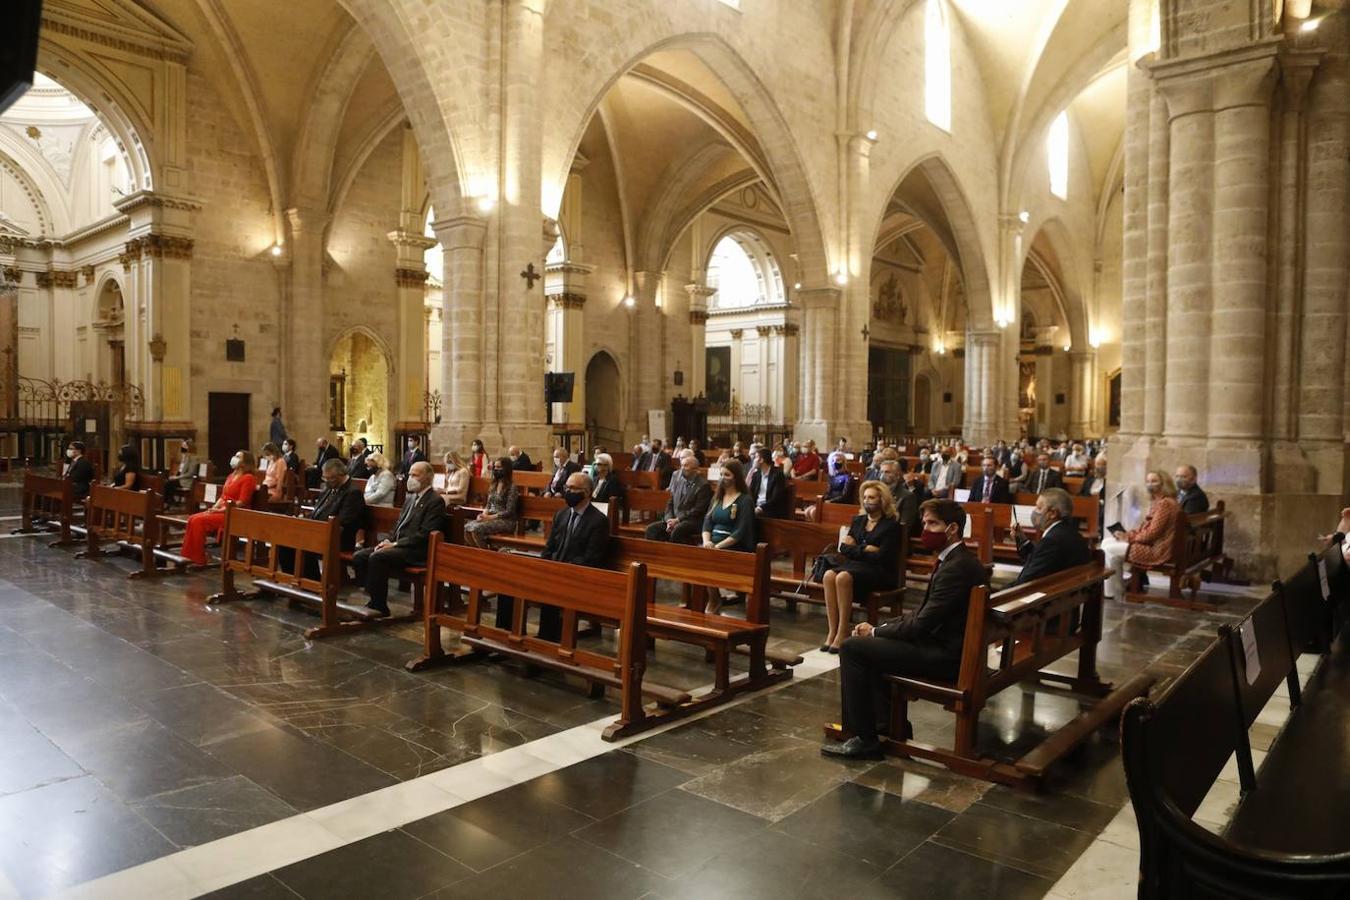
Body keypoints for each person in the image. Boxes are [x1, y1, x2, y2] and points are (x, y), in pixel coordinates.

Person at [823, 499, 989, 760]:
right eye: (924, 523)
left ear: (953, 528)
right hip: (947, 645)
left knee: (852, 648)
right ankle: (885, 726)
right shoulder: (958, 560)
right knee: (869, 647)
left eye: (933, 523)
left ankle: (865, 739)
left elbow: (922, 624)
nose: (925, 529)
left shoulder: (956, 568)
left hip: (946, 656)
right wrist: (882, 628)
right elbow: (924, 613)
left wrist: (876, 633)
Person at [497, 471, 610, 641]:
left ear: (586, 493)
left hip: (577, 576)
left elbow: (591, 558)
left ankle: (547, 642)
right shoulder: (562, 514)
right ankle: (505, 636)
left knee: (552, 593)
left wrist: (561, 570)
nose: (568, 492)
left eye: (573, 488)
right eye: (567, 487)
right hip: (554, 571)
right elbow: (549, 547)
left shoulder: (598, 521)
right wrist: (544, 567)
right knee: (510, 583)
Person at [352, 461, 446, 616]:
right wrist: (388, 540)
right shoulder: (410, 498)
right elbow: (398, 525)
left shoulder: (435, 501)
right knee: (360, 556)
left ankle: (379, 605)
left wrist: (395, 544)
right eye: (410, 474)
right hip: (400, 546)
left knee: (377, 557)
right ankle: (371, 595)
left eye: (415, 475)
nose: (411, 478)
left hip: (416, 551)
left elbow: (424, 535)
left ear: (428, 477)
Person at [820, 481, 902, 653]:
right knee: (828, 574)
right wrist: (866, 548)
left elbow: (881, 556)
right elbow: (843, 548)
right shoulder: (858, 520)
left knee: (843, 577)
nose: (867, 501)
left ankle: (843, 633)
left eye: (871, 497)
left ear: (882, 500)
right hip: (856, 566)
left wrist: (855, 548)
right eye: (864, 497)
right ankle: (832, 631)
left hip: (879, 571)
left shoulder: (891, 525)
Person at [1100, 470, 1183, 599]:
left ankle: (1114, 591)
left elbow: (1152, 534)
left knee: (1110, 549)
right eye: (1148, 481)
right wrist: (1127, 534)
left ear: (1164, 483)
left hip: (1158, 550)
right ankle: (1117, 587)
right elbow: (1146, 528)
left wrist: (1128, 538)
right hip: (1154, 544)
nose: (1150, 484)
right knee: (1106, 543)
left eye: (1154, 481)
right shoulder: (1161, 501)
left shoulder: (1165, 504)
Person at [280, 458, 366, 579]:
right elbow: (318, 510)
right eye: (324, 478)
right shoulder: (329, 488)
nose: (326, 482)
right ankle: (293, 579)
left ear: (341, 474)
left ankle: (312, 581)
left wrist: (317, 529)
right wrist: (304, 519)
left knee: (306, 543)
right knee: (285, 541)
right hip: (319, 531)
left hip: (339, 537)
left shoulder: (353, 492)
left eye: (330, 478)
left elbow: (345, 521)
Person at [181, 451, 256, 566]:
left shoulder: (248, 478)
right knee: (192, 518)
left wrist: (222, 510)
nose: (234, 458)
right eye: (235, 455)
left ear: (245, 463)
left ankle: (199, 558)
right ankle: (188, 555)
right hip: (222, 511)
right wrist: (213, 508)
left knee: (198, 521)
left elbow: (242, 502)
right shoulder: (231, 476)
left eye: (238, 457)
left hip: (236, 514)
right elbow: (223, 496)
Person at [701, 460, 754, 613]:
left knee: (708, 559)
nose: (723, 478)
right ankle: (713, 596)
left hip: (734, 546)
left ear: (736, 477)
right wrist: (706, 541)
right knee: (697, 555)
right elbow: (707, 523)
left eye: (727, 474)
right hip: (713, 543)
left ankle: (713, 600)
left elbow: (740, 532)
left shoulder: (745, 500)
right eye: (721, 474)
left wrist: (717, 546)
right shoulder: (717, 498)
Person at [1011, 488, 1091, 586]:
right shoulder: (1069, 533)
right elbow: (1040, 557)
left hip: (1048, 596)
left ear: (1052, 514)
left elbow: (1026, 581)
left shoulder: (1052, 541)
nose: (1034, 511)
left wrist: (996, 594)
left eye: (1039, 508)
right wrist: (1022, 539)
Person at [646, 453, 711, 545]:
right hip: (673, 520)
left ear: (695, 469)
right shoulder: (679, 482)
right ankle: (655, 557)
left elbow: (698, 510)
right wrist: (669, 520)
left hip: (691, 521)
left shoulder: (703, 486)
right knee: (651, 529)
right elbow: (670, 503)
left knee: (677, 530)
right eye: (681, 466)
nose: (682, 469)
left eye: (685, 466)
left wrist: (678, 520)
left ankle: (672, 557)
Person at [464, 457, 518, 548]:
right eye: (495, 467)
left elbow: (509, 511)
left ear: (506, 469)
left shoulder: (512, 487)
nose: (496, 469)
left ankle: (487, 555)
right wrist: (483, 514)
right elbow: (488, 504)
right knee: (466, 528)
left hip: (506, 520)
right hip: (490, 517)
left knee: (476, 529)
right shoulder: (493, 485)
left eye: (499, 467)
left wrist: (489, 517)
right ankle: (478, 554)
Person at [877, 460, 919, 536]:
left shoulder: (907, 496)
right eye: (881, 472)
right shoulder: (876, 493)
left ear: (898, 475)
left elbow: (904, 527)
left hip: (892, 537)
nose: (882, 475)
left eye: (887, 472)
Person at [749, 446, 790, 519]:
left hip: (771, 509)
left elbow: (776, 498)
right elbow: (750, 493)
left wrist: (760, 508)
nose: (754, 460)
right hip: (756, 507)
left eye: (756, 457)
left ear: (761, 460)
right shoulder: (756, 474)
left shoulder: (777, 474)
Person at [167, 439, 198, 505]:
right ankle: (170, 500)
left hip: (187, 481)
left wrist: (177, 477)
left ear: (189, 447)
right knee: (166, 482)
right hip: (180, 478)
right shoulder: (185, 457)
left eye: (184, 446)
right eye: (182, 446)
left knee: (169, 484)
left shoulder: (193, 458)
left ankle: (170, 501)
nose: (182, 448)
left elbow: (190, 473)